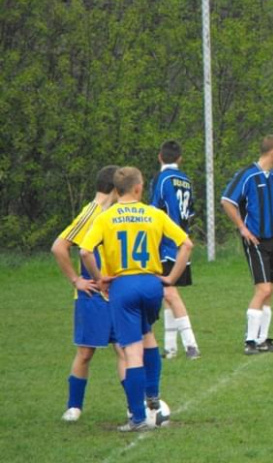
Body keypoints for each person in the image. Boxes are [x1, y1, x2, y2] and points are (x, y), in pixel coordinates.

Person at [80, 166, 193, 432]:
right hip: (152, 283)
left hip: (123, 285)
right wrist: (171, 277)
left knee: (131, 351)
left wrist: (99, 279)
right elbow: (186, 244)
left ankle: (138, 418)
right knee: (148, 335)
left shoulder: (106, 218)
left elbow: (85, 252)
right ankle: (152, 395)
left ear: (116, 190)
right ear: (139, 188)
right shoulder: (154, 214)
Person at [51, 165, 126, 422]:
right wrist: (76, 280)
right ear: (115, 188)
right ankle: (74, 407)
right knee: (86, 352)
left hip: (117, 292)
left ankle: (133, 406)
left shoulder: (116, 214)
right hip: (92, 295)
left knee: (124, 349)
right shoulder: (90, 213)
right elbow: (59, 247)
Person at [221, 135, 273, 355]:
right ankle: (249, 341)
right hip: (256, 240)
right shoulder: (248, 175)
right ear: (272, 152)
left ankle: (263, 339)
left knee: (270, 291)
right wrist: (243, 228)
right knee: (263, 288)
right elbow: (227, 201)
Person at [150, 140, 200, 360]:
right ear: (179, 158)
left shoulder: (161, 179)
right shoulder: (186, 180)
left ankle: (191, 345)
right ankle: (170, 348)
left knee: (169, 290)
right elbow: (190, 212)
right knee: (167, 295)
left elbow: (153, 211)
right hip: (182, 240)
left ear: (160, 156)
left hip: (166, 244)